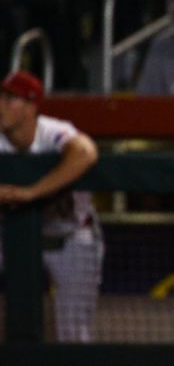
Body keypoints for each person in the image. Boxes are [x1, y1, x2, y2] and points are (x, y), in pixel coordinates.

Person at [0, 71, 101, 342]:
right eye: (1, 96)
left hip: (70, 237)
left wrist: (31, 192)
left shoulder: (53, 131)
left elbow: (85, 152)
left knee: (74, 334)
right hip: (12, 235)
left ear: (32, 106)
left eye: (11, 99)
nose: (1, 104)